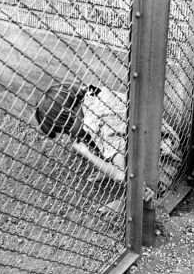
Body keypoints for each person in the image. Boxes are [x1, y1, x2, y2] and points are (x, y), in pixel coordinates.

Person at [35, 82, 182, 213]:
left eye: (66, 130)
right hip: (165, 144)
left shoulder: (95, 121)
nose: (70, 136)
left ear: (71, 114)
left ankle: (126, 203)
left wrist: (87, 154)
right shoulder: (93, 93)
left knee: (134, 186)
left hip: (164, 168)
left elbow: (124, 176)